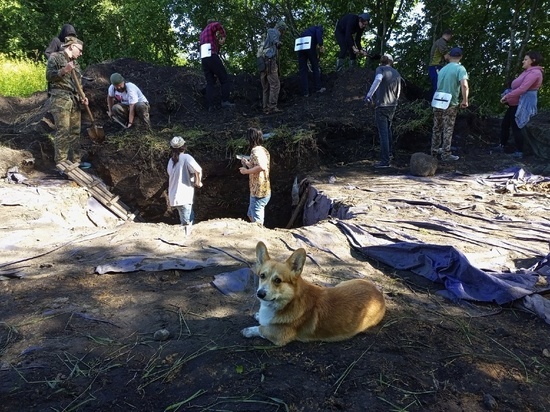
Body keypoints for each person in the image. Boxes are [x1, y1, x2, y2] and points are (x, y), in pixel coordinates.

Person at [45, 36, 91, 169]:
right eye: (80, 50)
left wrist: (83, 96)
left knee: (75, 131)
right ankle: (61, 163)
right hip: (60, 98)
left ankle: (76, 161)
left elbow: (78, 83)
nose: (81, 53)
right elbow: (49, 76)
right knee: (63, 130)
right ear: (72, 46)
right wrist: (64, 70)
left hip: (74, 99)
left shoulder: (76, 64)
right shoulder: (56, 57)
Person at [495, 51, 544, 159]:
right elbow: (516, 87)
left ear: (533, 60)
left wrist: (507, 97)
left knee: (517, 127)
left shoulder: (535, 73)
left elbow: (522, 89)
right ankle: (501, 145)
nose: (523, 61)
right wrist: (508, 93)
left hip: (522, 103)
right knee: (505, 124)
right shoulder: (527, 71)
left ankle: (520, 151)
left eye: (526, 59)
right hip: (514, 102)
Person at [364, 54, 402, 168]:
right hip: (392, 105)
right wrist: (395, 101)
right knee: (388, 130)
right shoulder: (396, 73)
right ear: (391, 61)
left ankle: (385, 161)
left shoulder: (380, 69)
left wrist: (369, 95)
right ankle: (390, 155)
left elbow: (378, 80)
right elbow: (399, 90)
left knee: (383, 133)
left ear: (382, 61)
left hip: (382, 105)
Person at [431, 47, 469, 161]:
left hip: (437, 101)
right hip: (450, 102)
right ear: (461, 57)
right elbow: (464, 85)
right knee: (448, 128)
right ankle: (446, 154)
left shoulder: (442, 70)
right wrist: (465, 100)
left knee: (437, 127)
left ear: (450, 56)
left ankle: (434, 151)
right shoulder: (460, 69)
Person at [167, 136, 203, 231]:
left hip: (175, 196)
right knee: (187, 224)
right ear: (184, 146)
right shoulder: (186, 157)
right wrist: (198, 182)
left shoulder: (171, 160)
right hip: (184, 196)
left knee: (186, 219)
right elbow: (198, 170)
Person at [199, 19, 234, 111]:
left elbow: (213, 47)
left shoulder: (202, 34)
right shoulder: (211, 27)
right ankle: (225, 101)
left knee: (210, 82)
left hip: (204, 58)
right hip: (211, 56)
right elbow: (218, 25)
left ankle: (210, 106)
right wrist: (223, 37)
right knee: (224, 79)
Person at [239, 128, 271, 225]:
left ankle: (260, 237)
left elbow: (261, 167)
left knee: (257, 221)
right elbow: (258, 166)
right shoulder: (262, 150)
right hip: (259, 189)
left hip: (259, 191)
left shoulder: (256, 151)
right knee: (250, 214)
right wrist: (248, 163)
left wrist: (246, 171)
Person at [260, 20, 286, 114]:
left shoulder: (266, 38)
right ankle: (272, 107)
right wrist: (277, 42)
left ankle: (265, 107)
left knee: (266, 86)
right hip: (270, 62)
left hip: (263, 62)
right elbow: (272, 33)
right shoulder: (273, 31)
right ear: (281, 29)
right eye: (283, 31)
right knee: (275, 84)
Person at [297, 25, 326, 97]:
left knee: (303, 69)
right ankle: (318, 88)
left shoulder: (308, 31)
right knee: (315, 66)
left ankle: (305, 92)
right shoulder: (318, 28)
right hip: (308, 44)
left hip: (300, 45)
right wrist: (321, 45)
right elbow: (318, 33)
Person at [428, 29, 453, 98]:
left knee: (440, 85)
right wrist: (455, 63)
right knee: (438, 86)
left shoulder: (440, 42)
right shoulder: (442, 42)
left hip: (437, 67)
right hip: (435, 67)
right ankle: (436, 105)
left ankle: (439, 104)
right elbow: (446, 57)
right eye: (451, 36)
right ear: (448, 35)